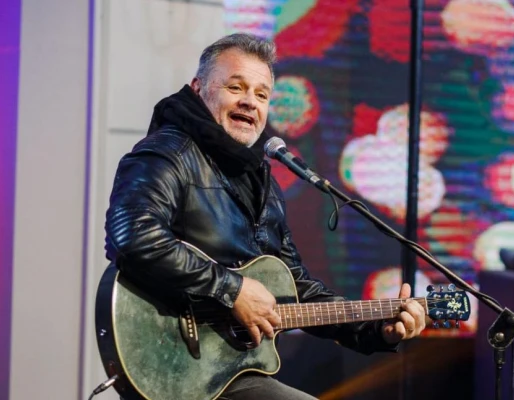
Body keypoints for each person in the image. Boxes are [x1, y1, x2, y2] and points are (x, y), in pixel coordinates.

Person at [104, 32, 426, 400]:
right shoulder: (166, 154)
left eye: (261, 94)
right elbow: (131, 235)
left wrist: (377, 328)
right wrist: (232, 289)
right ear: (198, 89)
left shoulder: (261, 182)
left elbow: (295, 290)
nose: (249, 103)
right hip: (173, 362)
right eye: (235, 87)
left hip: (231, 370)